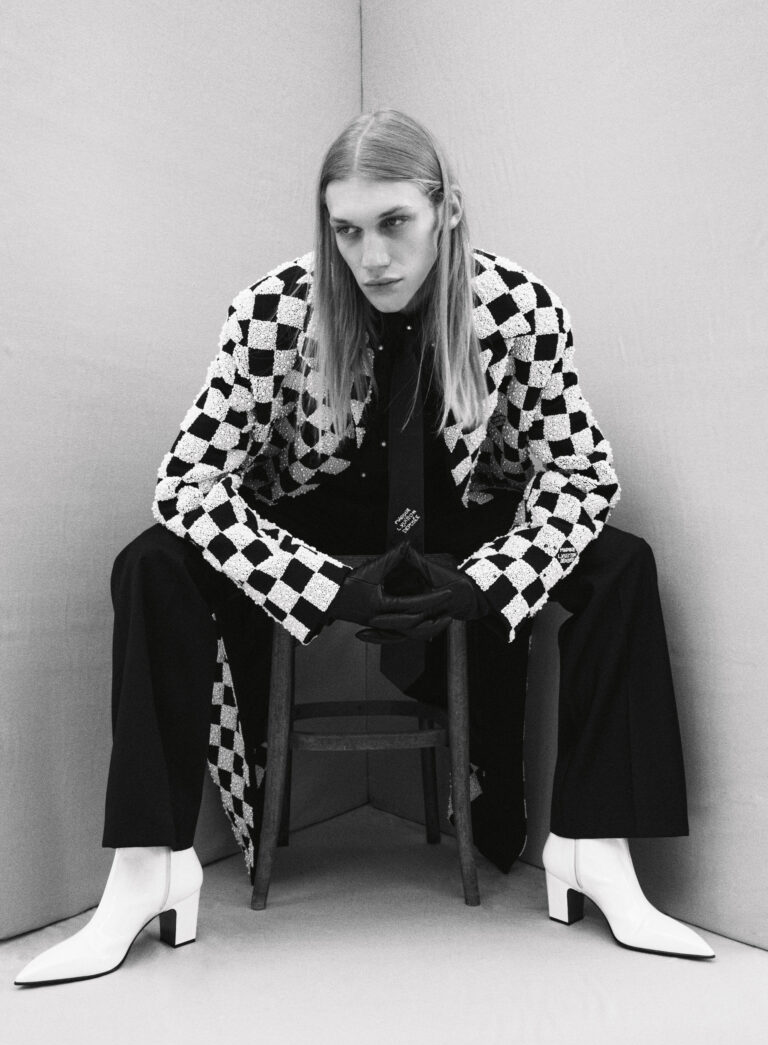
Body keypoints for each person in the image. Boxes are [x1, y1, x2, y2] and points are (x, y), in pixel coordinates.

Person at [14, 109, 714, 987]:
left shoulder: (519, 308)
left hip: (459, 515)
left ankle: (595, 847)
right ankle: (147, 868)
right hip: (317, 516)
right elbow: (187, 483)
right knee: (149, 561)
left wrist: (485, 585)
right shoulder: (275, 309)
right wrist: (328, 590)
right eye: (346, 230)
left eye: (394, 223)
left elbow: (579, 476)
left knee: (623, 564)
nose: (371, 256)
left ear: (446, 209)